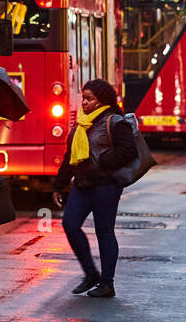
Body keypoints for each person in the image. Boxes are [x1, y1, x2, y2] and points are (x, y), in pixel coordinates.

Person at [52, 79, 137, 298]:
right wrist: (59, 185)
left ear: (102, 101)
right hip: (82, 185)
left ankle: (107, 283)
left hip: (105, 186)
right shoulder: (81, 123)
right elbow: (70, 156)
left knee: (104, 232)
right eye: (83, 98)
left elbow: (129, 151)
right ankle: (91, 274)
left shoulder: (115, 121)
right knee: (70, 225)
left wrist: (105, 161)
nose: (85, 103)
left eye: (89, 99)